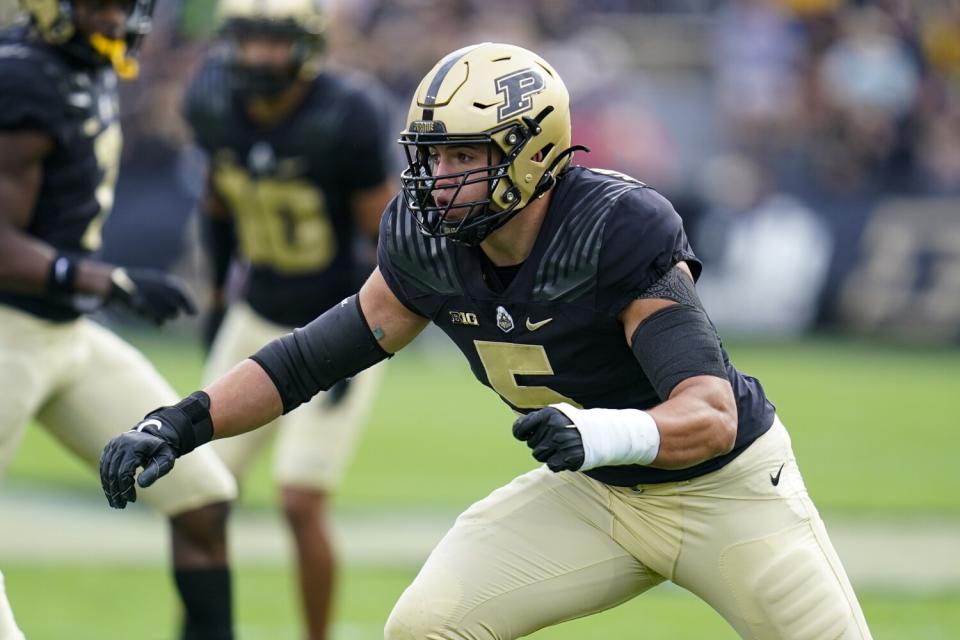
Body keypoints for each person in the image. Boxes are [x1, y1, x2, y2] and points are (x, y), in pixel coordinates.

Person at [100, 42, 873, 640]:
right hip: (598, 498)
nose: (438, 176)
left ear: (532, 153)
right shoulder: (427, 243)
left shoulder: (612, 230)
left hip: (724, 492)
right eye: (432, 154)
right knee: (426, 626)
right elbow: (306, 360)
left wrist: (597, 431)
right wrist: (183, 420)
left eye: (464, 154)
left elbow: (710, 414)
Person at [0, 1, 239, 638]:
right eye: (103, 4)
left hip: (64, 333)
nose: (120, 19)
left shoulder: (82, 65)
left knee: (202, 498)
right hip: (6, 332)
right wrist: (105, 279)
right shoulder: (19, 78)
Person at [182, 0, 394, 637]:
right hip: (255, 315)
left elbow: (381, 240)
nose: (257, 58)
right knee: (197, 495)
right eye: (247, 41)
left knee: (300, 501)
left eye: (272, 42)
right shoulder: (213, 99)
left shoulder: (347, 113)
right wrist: (218, 297)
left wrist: (357, 342)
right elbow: (218, 204)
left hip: (333, 324)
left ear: (305, 47)